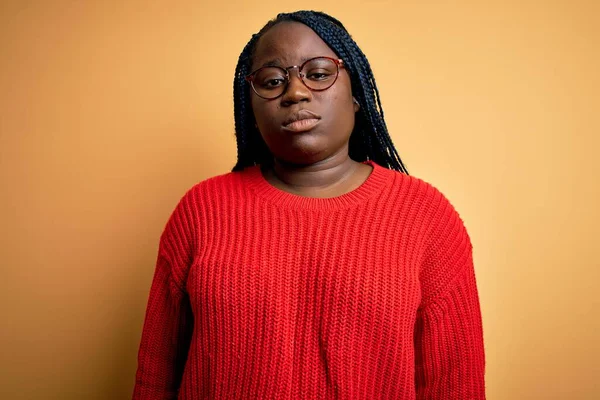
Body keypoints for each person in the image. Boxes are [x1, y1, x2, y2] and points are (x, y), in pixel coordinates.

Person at [132, 10, 485, 400]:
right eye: (272, 81)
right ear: (250, 108)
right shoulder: (202, 210)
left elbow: (456, 386)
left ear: (356, 95)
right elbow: (155, 377)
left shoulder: (426, 216)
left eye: (317, 74)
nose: (295, 92)